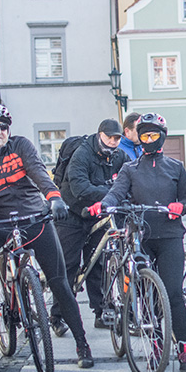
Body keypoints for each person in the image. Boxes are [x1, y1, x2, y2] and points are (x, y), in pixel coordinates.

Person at [0, 104, 93, 368]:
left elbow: (39, 173)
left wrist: (54, 198)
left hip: (35, 222)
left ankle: (82, 344)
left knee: (61, 286)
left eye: (3, 127)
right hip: (1, 224)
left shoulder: (21, 146)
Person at [91, 113, 186, 372]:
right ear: (139, 138)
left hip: (170, 236)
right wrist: (104, 205)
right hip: (141, 237)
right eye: (145, 135)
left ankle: (184, 348)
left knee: (173, 293)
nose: (149, 140)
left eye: (154, 135)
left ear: (162, 137)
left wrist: (180, 207)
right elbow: (116, 192)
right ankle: (156, 345)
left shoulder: (175, 167)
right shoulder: (130, 169)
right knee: (146, 295)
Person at [49, 119, 128, 336]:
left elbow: (131, 178)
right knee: (67, 266)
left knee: (98, 264)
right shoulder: (83, 153)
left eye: (117, 138)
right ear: (100, 134)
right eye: (110, 137)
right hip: (72, 213)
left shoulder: (120, 156)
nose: (113, 141)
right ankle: (57, 316)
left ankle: (101, 311)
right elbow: (79, 186)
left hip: (98, 214)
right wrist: (111, 195)